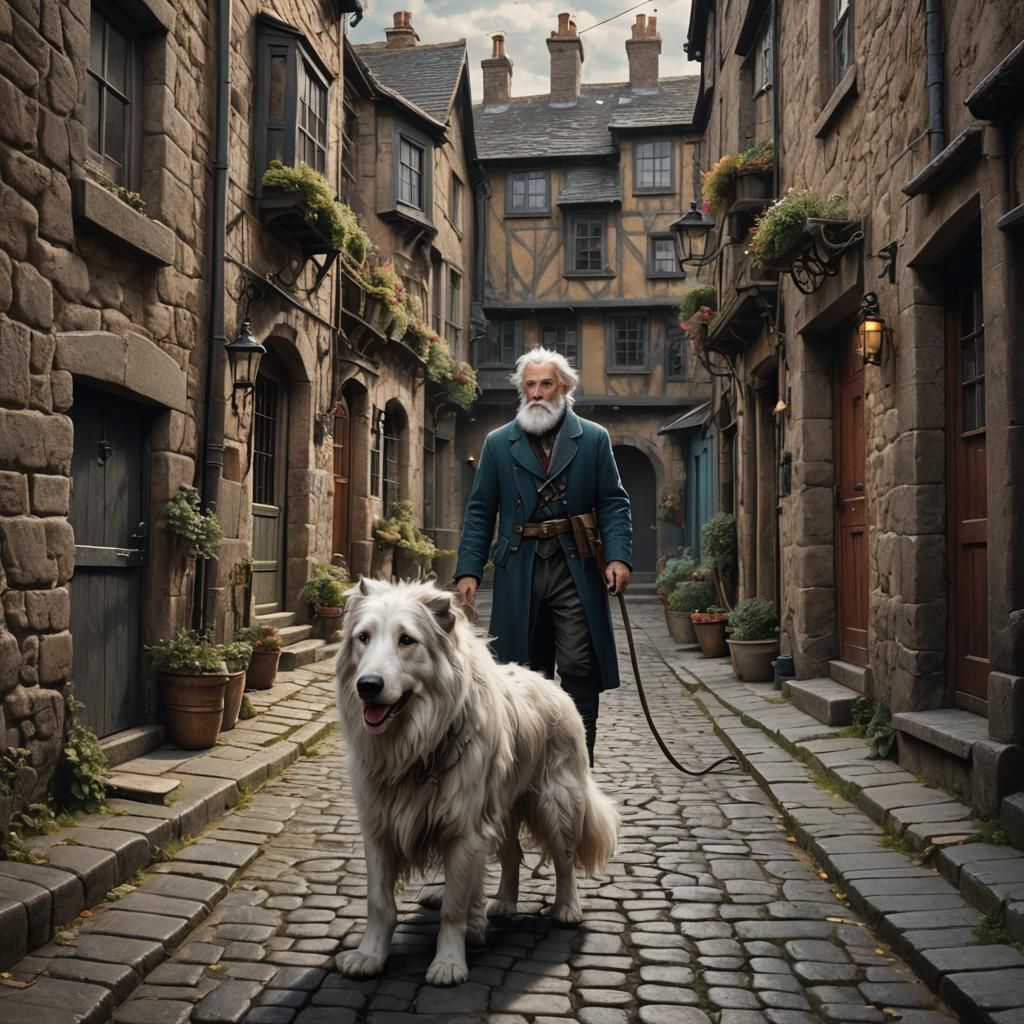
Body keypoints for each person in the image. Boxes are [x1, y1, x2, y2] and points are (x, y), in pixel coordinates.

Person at [455, 347, 632, 766]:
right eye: (529, 385)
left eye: (545, 384)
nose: (536, 394)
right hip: (519, 568)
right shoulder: (499, 443)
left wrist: (618, 558)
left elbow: (613, 502)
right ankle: (520, 772)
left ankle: (577, 767)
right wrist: (469, 571)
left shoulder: (592, 438)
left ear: (564, 388)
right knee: (519, 673)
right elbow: (481, 509)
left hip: (576, 568)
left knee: (579, 669)